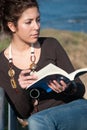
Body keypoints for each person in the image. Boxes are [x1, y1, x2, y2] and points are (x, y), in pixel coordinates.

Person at [0, 0, 87, 130]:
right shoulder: (3, 63)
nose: (36, 26)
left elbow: (80, 89)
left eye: (38, 20)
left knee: (37, 121)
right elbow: (22, 113)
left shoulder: (51, 45)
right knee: (37, 121)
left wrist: (69, 87)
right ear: (12, 26)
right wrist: (22, 89)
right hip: (41, 122)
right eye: (29, 22)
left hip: (74, 110)